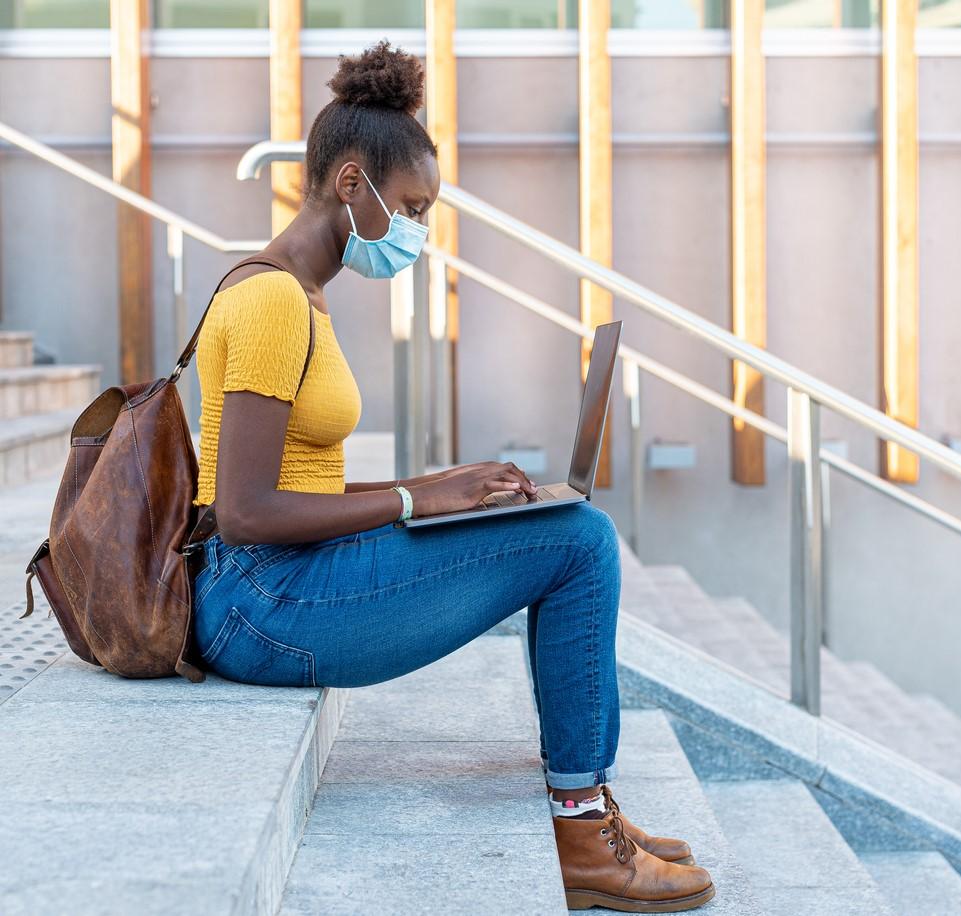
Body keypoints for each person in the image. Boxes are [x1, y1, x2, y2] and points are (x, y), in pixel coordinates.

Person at [188, 39, 715, 913]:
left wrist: (443, 486)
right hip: (259, 605)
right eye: (411, 207)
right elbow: (243, 514)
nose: (417, 233)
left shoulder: (299, 295)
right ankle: (584, 827)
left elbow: (297, 488)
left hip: (277, 587)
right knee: (580, 541)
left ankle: (590, 813)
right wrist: (413, 500)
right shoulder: (270, 300)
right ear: (349, 184)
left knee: (563, 532)